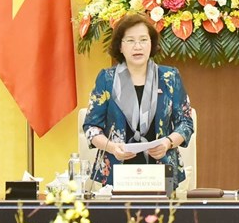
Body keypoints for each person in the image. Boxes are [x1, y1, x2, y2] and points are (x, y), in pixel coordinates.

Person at [83, 14, 194, 188]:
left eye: (143, 40)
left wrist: (167, 143)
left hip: (162, 171)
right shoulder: (107, 79)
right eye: (130, 40)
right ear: (120, 46)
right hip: (115, 172)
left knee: (165, 216)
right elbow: (91, 127)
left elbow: (186, 123)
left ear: (151, 44)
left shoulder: (169, 77)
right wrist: (112, 147)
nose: (138, 46)